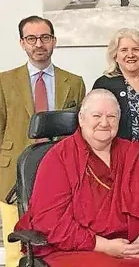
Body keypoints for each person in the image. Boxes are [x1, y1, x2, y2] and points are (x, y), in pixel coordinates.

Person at [14, 89, 139, 267]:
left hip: (137, 240)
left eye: (111, 116)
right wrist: (105, 246)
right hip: (80, 247)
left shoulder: (131, 152)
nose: (104, 123)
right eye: (97, 115)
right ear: (81, 119)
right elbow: (50, 222)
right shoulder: (58, 158)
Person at [0, 15, 86, 267]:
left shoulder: (74, 82)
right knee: (17, 245)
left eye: (45, 37)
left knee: (58, 242)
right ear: (22, 43)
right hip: (13, 173)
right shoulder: (4, 81)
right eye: (31, 38)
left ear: (54, 41)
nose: (39, 44)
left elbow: (80, 134)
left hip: (62, 174)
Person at [93, 28, 139, 141]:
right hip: (119, 153)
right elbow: (95, 123)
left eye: (136, 49)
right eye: (124, 50)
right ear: (115, 56)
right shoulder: (104, 84)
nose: (130, 55)